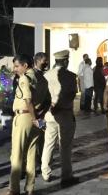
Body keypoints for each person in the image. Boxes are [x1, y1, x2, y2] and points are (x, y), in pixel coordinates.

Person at [41, 50, 78, 187]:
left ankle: (45, 173)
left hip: (49, 114)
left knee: (48, 143)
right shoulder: (70, 76)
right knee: (65, 146)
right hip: (64, 114)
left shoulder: (46, 75)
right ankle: (66, 176)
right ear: (65, 61)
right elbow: (71, 95)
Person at [6, 54, 40, 195]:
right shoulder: (38, 77)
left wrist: (33, 118)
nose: (14, 69)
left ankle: (14, 189)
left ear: (25, 66)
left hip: (25, 117)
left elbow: (27, 100)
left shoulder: (24, 79)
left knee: (17, 154)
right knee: (31, 154)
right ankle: (30, 188)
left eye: (16, 66)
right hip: (34, 117)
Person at [32, 52, 51, 167]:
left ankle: (40, 161)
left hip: (43, 111)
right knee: (34, 139)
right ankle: (33, 162)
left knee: (42, 139)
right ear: (37, 61)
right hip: (34, 111)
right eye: (44, 60)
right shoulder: (33, 75)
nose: (46, 63)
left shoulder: (43, 74)